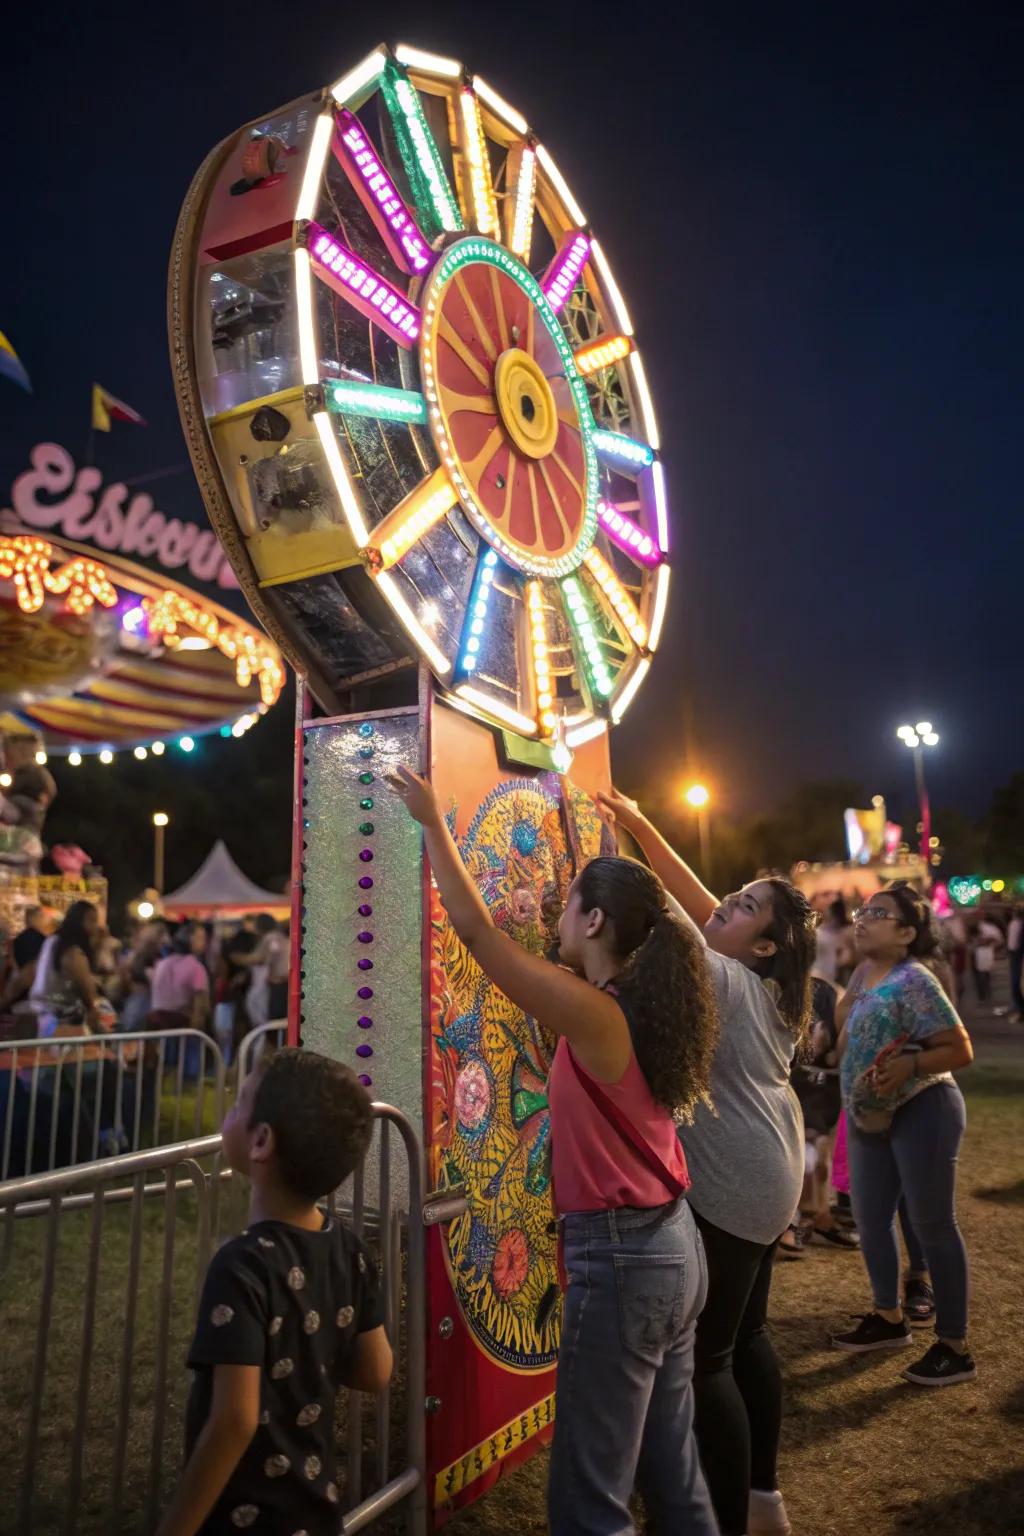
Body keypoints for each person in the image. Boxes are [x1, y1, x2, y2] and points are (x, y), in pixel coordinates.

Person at [392, 766, 720, 1536]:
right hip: (671, 1245)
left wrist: (432, 821)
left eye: (564, 904)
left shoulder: (598, 1017)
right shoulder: (642, 1009)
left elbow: (477, 936)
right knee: (672, 1474)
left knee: (589, 1499)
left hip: (625, 1259)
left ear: (596, 919)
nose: (552, 915)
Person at [598, 788, 812, 1536]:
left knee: (711, 1359)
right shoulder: (776, 986)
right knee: (747, 1337)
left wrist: (605, 851)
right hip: (775, 1166)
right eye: (737, 893)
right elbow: (702, 908)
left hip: (738, 1180)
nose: (726, 901)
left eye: (747, 906)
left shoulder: (725, 980)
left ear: (763, 943)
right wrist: (641, 823)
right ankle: (763, 1500)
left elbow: (676, 914)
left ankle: (719, 1521)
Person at [156, 1048, 392, 1535]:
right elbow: (375, 1369)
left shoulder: (242, 1266)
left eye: (239, 1101)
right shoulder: (347, 1248)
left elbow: (233, 1422)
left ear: (261, 1141)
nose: (231, 1108)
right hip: (314, 1508)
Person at [830, 882, 976, 1385]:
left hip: (924, 1108)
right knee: (871, 1220)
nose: (862, 917)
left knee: (933, 1224)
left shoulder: (916, 979)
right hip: (870, 1114)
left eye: (879, 913)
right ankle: (889, 1319)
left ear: (908, 932)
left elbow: (959, 1050)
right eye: (863, 909)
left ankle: (954, 1346)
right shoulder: (864, 972)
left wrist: (913, 1063)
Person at [782, 976, 857, 1255]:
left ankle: (821, 1216)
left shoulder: (833, 990)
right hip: (804, 1081)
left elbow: (843, 1044)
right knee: (809, 1154)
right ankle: (792, 1223)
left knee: (821, 1157)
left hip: (830, 1084)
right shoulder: (792, 987)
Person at [30, 900, 107, 1036]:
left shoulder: (51, 941)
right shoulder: (73, 952)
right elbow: (87, 989)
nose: (96, 927)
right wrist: (94, 1008)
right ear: (81, 920)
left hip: (43, 1017)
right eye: (92, 920)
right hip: (64, 1022)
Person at [149, 924, 211, 1074]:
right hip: (181, 1020)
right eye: (200, 938)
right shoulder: (195, 966)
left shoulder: (163, 963)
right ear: (189, 940)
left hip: (158, 1018)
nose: (204, 943)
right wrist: (200, 1017)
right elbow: (200, 997)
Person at [1008, 903, 1024, 1023]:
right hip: (1014, 955)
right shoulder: (1014, 923)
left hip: (1019, 956)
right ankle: (1020, 1011)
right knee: (1015, 985)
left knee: (1017, 984)